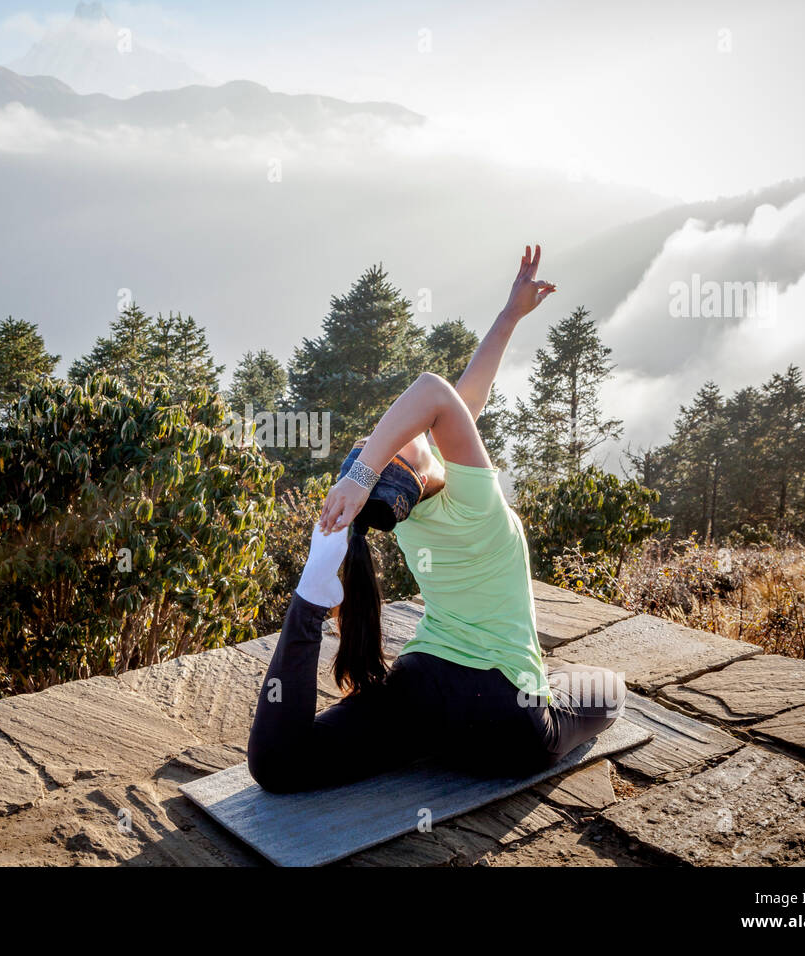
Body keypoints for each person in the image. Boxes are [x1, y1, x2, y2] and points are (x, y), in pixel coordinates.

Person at [247, 245, 627, 793]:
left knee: (283, 765)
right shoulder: (474, 499)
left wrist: (509, 315)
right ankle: (550, 685)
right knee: (606, 688)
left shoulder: (406, 517)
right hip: (504, 719)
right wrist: (357, 476)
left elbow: (461, 401)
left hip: (421, 694)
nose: (413, 436)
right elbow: (435, 393)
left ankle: (309, 596)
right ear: (419, 474)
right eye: (409, 444)